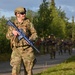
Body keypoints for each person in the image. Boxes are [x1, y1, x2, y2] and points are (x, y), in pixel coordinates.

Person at [6, 7, 38, 75]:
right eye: (22, 13)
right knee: (15, 71)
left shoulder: (28, 23)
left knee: (28, 71)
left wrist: (31, 39)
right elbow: (7, 36)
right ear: (17, 14)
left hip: (27, 49)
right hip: (16, 50)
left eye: (24, 13)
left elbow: (34, 34)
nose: (24, 14)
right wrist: (12, 32)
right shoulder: (12, 25)